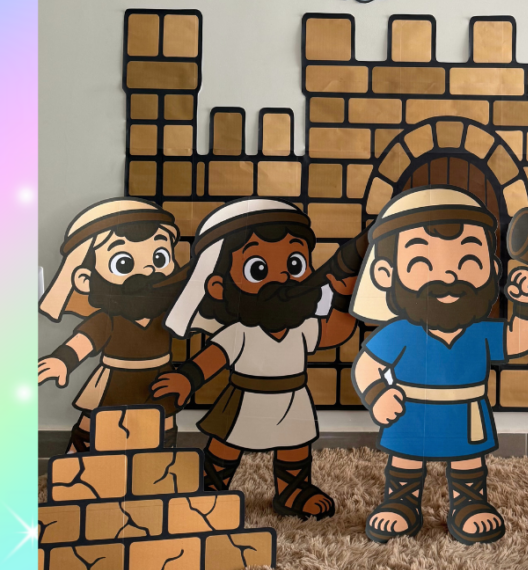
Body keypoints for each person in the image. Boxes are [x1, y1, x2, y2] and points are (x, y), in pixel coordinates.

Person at [349, 187, 528, 545]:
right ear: (385, 273)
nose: (449, 277)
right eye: (422, 264)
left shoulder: (481, 332)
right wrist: (378, 394)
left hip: (467, 411)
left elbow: (518, 340)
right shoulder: (399, 332)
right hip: (410, 409)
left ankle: (469, 503)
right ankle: (400, 502)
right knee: (406, 458)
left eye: (468, 261)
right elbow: (368, 366)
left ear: (492, 269)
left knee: (467, 460)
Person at [154, 198, 357, 520]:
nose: (282, 279)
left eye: (294, 265)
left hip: (292, 398)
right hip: (244, 399)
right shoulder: (239, 331)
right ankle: (211, 484)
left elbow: (334, 332)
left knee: (295, 444)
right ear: (219, 286)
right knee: (226, 444)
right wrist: (186, 379)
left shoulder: (302, 326)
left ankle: (293, 491)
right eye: (258, 269)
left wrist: (343, 297)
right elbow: (213, 357)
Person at [38, 197, 182, 451]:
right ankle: (76, 464)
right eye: (123, 263)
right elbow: (85, 341)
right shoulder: (107, 319)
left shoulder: (169, 313)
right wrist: (63, 361)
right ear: (85, 279)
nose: (149, 270)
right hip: (113, 379)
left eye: (159, 258)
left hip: (159, 377)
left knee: (163, 426)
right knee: (92, 425)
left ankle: (160, 467)